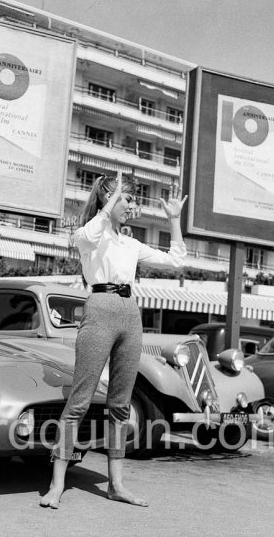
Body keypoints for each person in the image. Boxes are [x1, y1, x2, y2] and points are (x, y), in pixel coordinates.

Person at [40, 171, 187, 508]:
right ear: (109, 200)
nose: (131, 206)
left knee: (120, 405)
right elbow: (87, 235)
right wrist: (108, 203)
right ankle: (56, 485)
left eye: (132, 199)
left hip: (130, 313)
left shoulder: (130, 244)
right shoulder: (90, 235)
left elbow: (176, 261)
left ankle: (116, 485)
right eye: (127, 198)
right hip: (99, 308)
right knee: (79, 401)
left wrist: (174, 221)